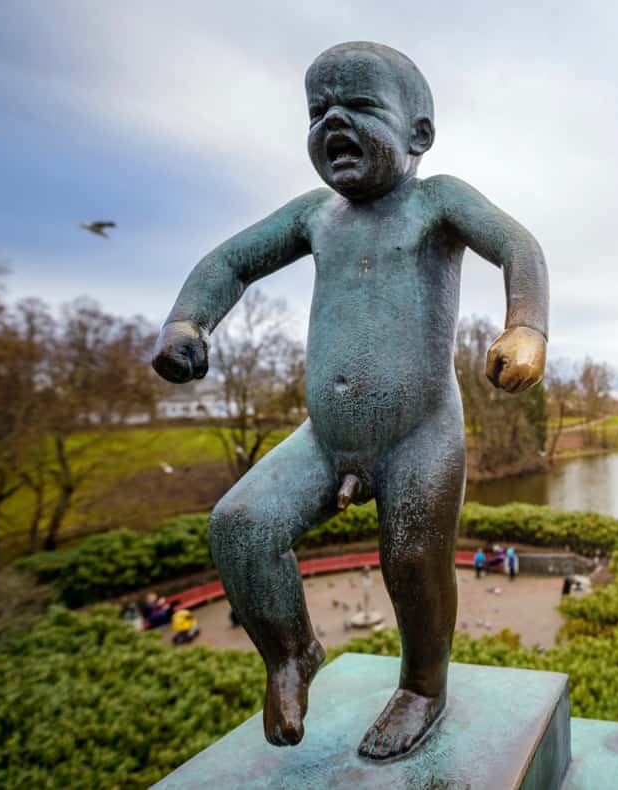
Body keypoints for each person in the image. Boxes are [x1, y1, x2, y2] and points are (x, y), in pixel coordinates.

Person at [150, 41, 548, 758]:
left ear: (419, 134)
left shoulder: (437, 201)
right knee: (240, 528)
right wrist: (188, 320)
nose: (332, 121)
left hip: (419, 434)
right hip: (325, 437)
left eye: (359, 107)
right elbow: (231, 261)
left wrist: (525, 328)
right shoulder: (315, 215)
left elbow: (519, 246)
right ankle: (292, 654)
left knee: (411, 561)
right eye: (316, 112)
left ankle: (423, 685)